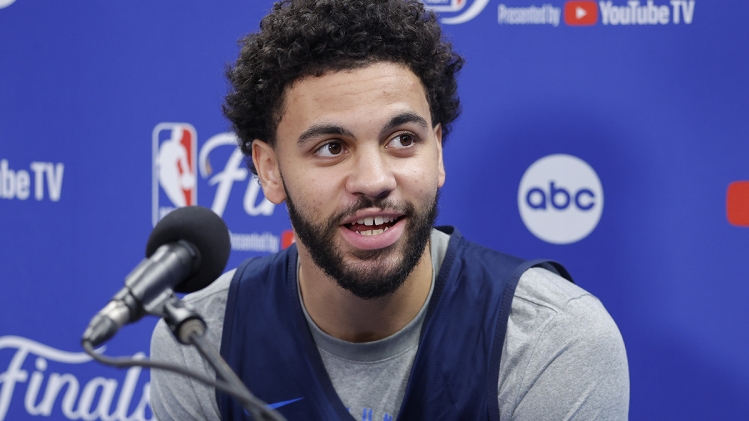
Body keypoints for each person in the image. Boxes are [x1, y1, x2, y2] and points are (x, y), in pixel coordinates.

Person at [150, 0, 629, 420]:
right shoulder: (199, 342)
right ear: (270, 170)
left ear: (437, 153)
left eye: (403, 140)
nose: (375, 181)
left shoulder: (552, 339)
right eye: (332, 147)